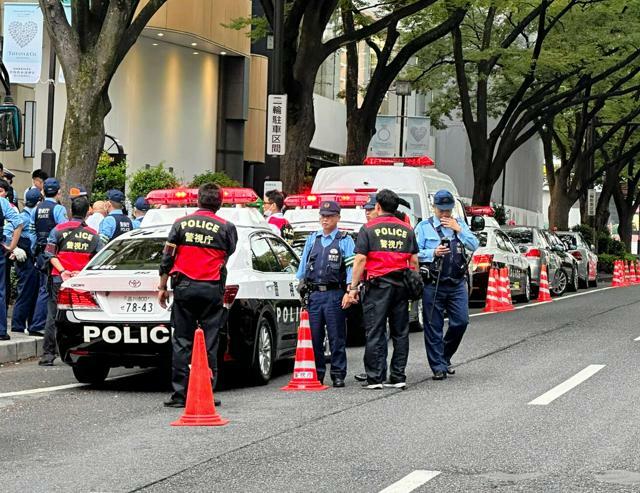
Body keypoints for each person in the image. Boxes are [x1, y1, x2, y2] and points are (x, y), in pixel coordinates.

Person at [158, 183, 238, 408]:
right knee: (210, 342)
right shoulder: (227, 227)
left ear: (197, 200)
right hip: (212, 288)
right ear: (220, 203)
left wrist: (162, 286)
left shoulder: (180, 224)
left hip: (184, 288)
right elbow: (228, 253)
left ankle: (181, 395)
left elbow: (167, 258)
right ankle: (207, 393)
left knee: (182, 341)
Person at [348, 189, 419, 389]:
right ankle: (398, 376)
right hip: (401, 287)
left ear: (378, 206)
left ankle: (375, 377)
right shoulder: (407, 229)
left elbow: (360, 259)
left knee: (375, 331)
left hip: (377, 286)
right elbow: (413, 261)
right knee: (400, 332)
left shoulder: (368, 228)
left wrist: (353, 288)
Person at [415, 190, 479, 380]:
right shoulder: (424, 227)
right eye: (441, 210)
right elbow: (414, 253)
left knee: (461, 321)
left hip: (457, 282)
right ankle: (438, 367)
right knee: (433, 326)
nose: (445, 214)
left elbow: (474, 245)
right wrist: (433, 252)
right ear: (434, 207)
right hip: (433, 283)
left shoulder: (458, 224)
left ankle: (444, 356)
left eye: (448, 210)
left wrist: (459, 230)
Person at [296, 200, 355, 387]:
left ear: (338, 217)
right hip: (314, 294)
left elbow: (351, 268)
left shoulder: (345, 240)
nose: (325, 219)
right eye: (323, 216)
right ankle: (318, 374)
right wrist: (300, 287)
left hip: (334, 293)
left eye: (329, 216)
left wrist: (349, 291)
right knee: (315, 336)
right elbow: (303, 268)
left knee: (337, 336)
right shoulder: (313, 239)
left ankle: (338, 374)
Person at [39, 196, 103, 366]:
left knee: (53, 315)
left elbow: (49, 254)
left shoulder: (58, 230)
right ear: (87, 212)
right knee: (82, 316)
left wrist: (63, 271)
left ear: (70, 211)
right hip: (82, 282)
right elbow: (99, 258)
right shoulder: (93, 235)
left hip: (59, 278)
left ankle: (47, 355)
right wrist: (79, 273)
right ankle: (81, 351)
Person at [30, 178, 68, 337]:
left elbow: (32, 232)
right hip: (53, 254)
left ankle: (37, 323)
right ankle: (38, 325)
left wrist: (35, 250)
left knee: (42, 288)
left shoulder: (36, 209)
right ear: (58, 192)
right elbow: (63, 232)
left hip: (39, 252)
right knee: (47, 289)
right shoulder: (59, 209)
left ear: (43, 192)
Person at [11, 188, 41, 336]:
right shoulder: (25, 217)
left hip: (28, 257)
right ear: (39, 201)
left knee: (32, 291)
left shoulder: (23, 215)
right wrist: (14, 248)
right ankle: (17, 325)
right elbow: (9, 233)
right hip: (26, 258)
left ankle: (27, 324)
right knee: (26, 292)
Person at [0, 182, 24, 341]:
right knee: (1, 291)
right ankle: (1, 330)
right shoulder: (2, 202)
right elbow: (19, 223)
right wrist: (12, 246)